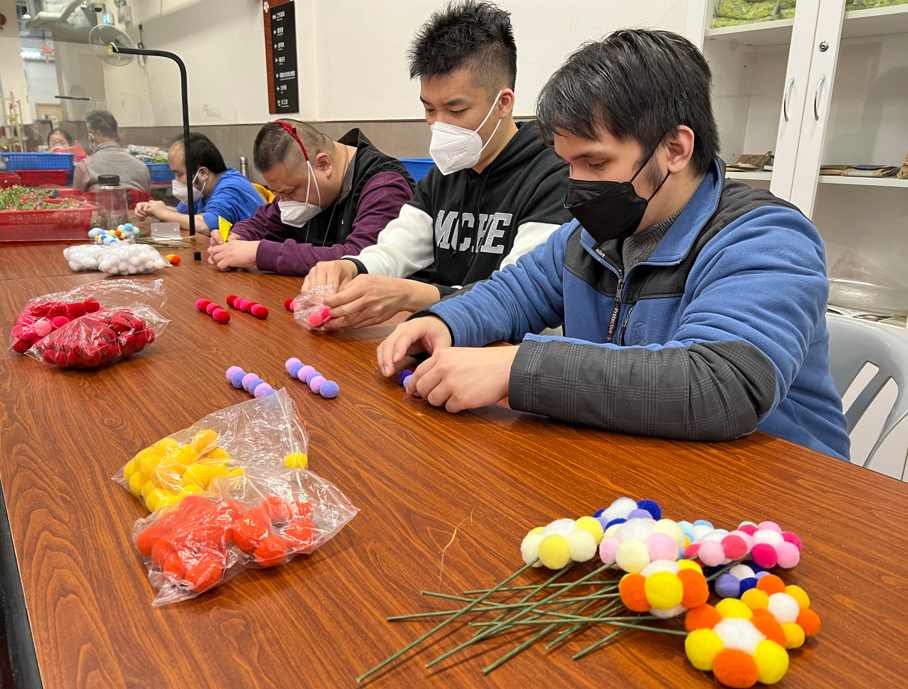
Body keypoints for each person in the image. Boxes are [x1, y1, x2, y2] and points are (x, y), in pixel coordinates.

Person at [377, 29, 851, 461]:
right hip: (645, 463)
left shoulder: (766, 239)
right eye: (569, 164)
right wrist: (444, 321)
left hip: (781, 490)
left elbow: (721, 386)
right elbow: (513, 293)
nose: (577, 185)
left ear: (675, 148)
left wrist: (517, 367)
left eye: (596, 163)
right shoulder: (591, 236)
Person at [302, 0, 571, 330]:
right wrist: (350, 267)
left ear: (503, 103)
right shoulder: (444, 174)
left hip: (508, 348)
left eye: (456, 111)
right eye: (429, 109)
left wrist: (408, 294)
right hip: (443, 337)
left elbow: (520, 296)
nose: (438, 125)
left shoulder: (554, 174)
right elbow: (394, 251)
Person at [206, 121, 414, 275]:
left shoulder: (384, 186)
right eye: (279, 193)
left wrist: (259, 253)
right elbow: (263, 223)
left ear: (324, 165)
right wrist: (237, 238)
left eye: (290, 192)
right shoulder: (304, 183)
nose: (285, 203)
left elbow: (363, 259)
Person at [135, 133, 264, 236]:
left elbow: (205, 226)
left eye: (179, 174)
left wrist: (165, 214)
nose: (175, 180)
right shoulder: (202, 189)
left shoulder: (229, 190)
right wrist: (152, 209)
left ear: (203, 173)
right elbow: (181, 214)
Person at [72, 111, 150, 192]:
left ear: (91, 137)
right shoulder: (142, 167)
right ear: (118, 136)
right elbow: (147, 197)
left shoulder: (84, 167)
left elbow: (77, 198)